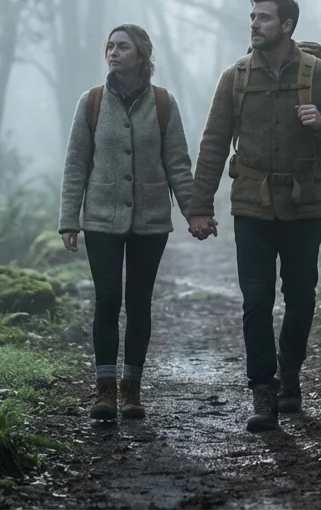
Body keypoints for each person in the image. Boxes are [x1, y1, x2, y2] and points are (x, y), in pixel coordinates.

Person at [185, 0, 321, 432]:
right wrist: (199, 207)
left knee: (301, 299)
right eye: (252, 17)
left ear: (287, 26)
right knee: (257, 301)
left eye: (264, 18)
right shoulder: (236, 77)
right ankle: (262, 391)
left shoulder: (319, 75)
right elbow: (212, 144)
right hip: (251, 206)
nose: (254, 24)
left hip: (304, 205)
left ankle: (291, 377)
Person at [58, 23, 197, 421]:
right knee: (107, 300)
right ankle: (104, 391)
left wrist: (194, 213)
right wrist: (69, 219)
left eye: (123, 47)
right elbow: (75, 164)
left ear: (142, 55)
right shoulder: (92, 102)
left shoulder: (164, 103)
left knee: (139, 303)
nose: (114, 53)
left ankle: (131, 390)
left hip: (150, 220)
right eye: (110, 46)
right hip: (100, 219)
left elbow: (177, 164)